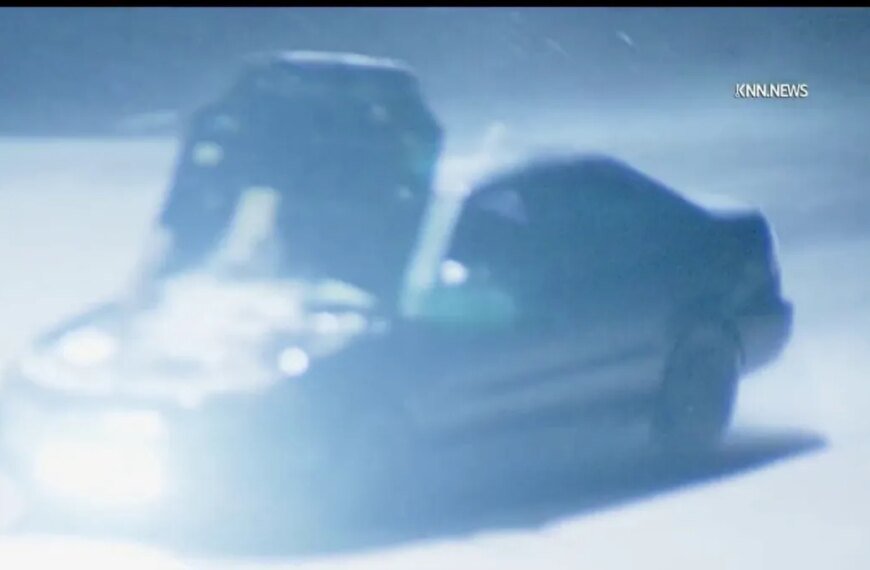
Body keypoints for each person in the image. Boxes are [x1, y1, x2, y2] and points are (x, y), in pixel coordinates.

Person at [136, 51, 444, 304]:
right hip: (363, 222)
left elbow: (197, 199)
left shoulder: (263, 122)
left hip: (331, 221)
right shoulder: (390, 121)